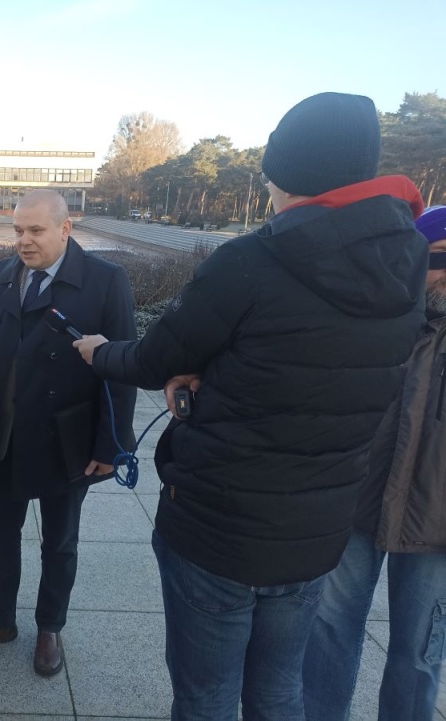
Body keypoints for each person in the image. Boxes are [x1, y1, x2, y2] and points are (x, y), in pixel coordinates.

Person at [73, 92, 429, 720]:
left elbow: (155, 358)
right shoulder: (407, 266)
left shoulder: (251, 261)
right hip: (316, 533)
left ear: (285, 174)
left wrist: (100, 352)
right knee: (279, 690)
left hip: (219, 530)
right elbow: (324, 374)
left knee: (207, 695)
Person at [0, 189, 137, 676]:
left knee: (60, 539)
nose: (24, 241)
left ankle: (50, 625)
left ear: (65, 228)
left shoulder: (105, 282)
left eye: (35, 231)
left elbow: (120, 372)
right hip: (1, 433)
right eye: (17, 230)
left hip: (64, 440)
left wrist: (110, 447)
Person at [304, 205, 446, 721]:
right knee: (328, 631)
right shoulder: (377, 321)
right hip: (356, 502)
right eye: (437, 257)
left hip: (435, 521)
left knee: (419, 653)